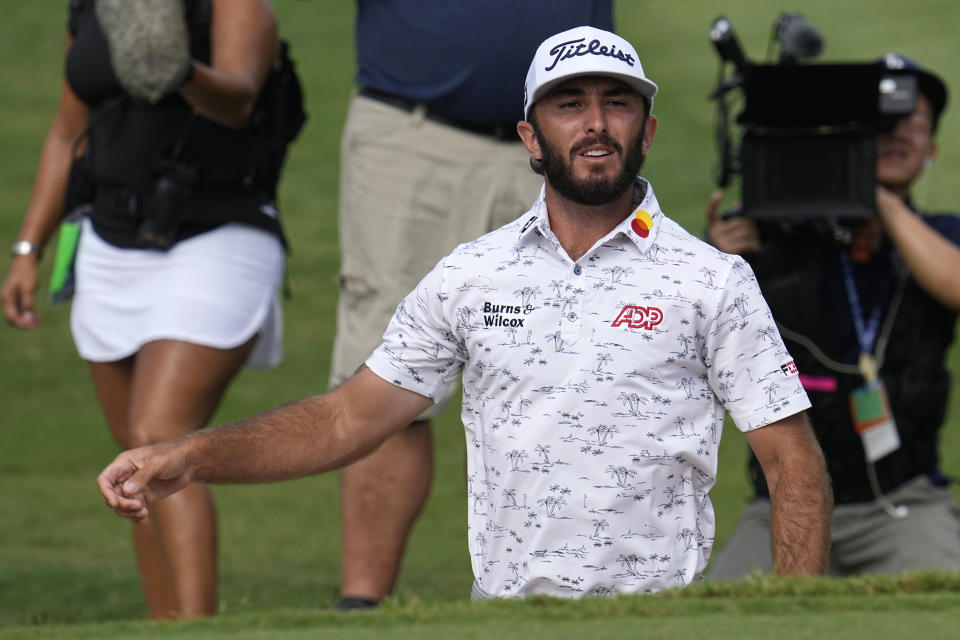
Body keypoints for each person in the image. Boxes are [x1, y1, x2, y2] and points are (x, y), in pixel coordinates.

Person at [99, 26, 832, 599]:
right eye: (570, 104)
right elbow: (347, 420)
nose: (596, 123)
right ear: (529, 136)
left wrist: (796, 616)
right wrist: (192, 456)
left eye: (618, 102)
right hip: (505, 615)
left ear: (649, 128)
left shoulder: (712, 281)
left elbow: (791, 463)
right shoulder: (470, 276)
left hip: (658, 616)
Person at [2, 0, 289, 619]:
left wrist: (174, 68)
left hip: (218, 234)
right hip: (108, 243)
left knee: (156, 439)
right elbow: (65, 130)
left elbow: (238, 100)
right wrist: (29, 248)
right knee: (134, 465)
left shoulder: (233, 7)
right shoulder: (92, 9)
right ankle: (164, 627)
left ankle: (196, 628)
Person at [332, 1, 615, 609]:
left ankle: (580, 595)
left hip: (574, 138)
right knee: (387, 377)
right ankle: (359, 608)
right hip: (416, 131)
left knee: (585, 372)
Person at [707, 54, 960, 579]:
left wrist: (879, 199)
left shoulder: (941, 235)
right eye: (883, 125)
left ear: (932, 150)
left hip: (900, 502)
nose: (897, 137)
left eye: (915, 127)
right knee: (725, 619)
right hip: (784, 503)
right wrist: (720, 264)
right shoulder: (781, 234)